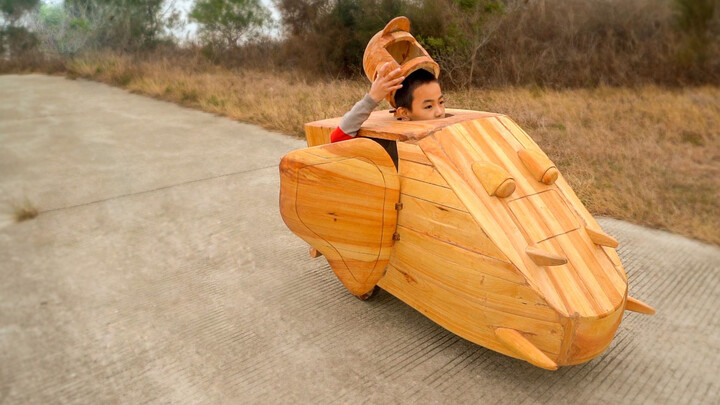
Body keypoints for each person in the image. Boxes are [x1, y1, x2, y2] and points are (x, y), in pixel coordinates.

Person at [330, 63, 446, 143]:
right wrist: (371, 99)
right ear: (404, 113)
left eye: (441, 102)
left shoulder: (449, 130)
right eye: (429, 106)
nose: (439, 112)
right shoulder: (389, 142)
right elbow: (338, 137)